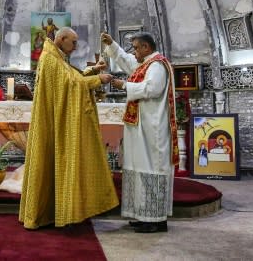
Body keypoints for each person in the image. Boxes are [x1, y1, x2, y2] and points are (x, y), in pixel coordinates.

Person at [19, 27, 118, 230]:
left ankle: (53, 212)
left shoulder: (56, 56)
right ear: (62, 39)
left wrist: (92, 71)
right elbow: (70, 84)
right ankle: (44, 214)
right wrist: (97, 80)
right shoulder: (50, 58)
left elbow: (71, 76)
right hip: (50, 123)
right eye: (73, 43)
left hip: (53, 120)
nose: (75, 47)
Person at [101, 30, 176, 233]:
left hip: (152, 128)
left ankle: (156, 220)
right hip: (141, 126)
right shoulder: (146, 64)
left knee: (151, 169)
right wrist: (112, 45)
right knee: (138, 168)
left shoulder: (158, 65)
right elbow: (127, 63)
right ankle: (144, 215)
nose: (133, 52)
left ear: (146, 47)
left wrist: (124, 85)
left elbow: (152, 89)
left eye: (136, 48)